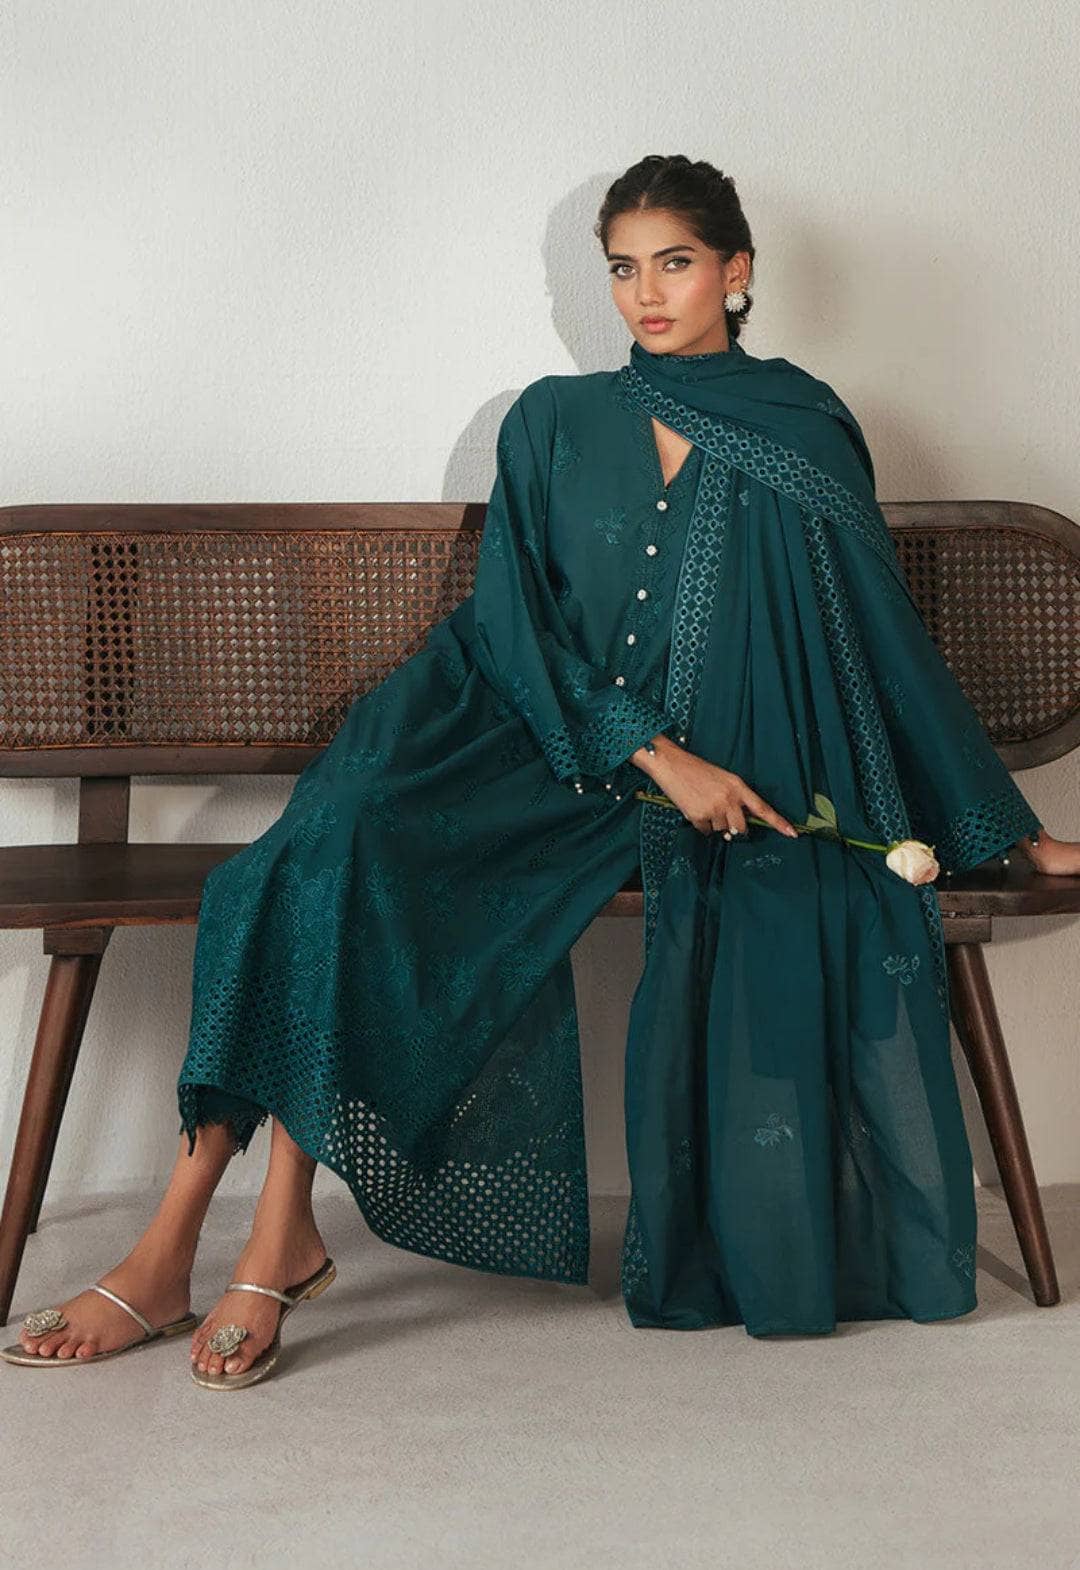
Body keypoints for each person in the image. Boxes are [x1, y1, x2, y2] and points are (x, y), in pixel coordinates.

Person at [6, 153, 1075, 1384]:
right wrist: (654, 751)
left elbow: (878, 634)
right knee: (321, 847)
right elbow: (515, 621)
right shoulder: (554, 419)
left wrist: (1004, 827)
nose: (644, 295)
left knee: (338, 873)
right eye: (622, 268)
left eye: (673, 262)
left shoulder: (805, 421)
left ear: (737, 272)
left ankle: (241, 1238)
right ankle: (199, 1230)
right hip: (497, 724)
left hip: (630, 797)